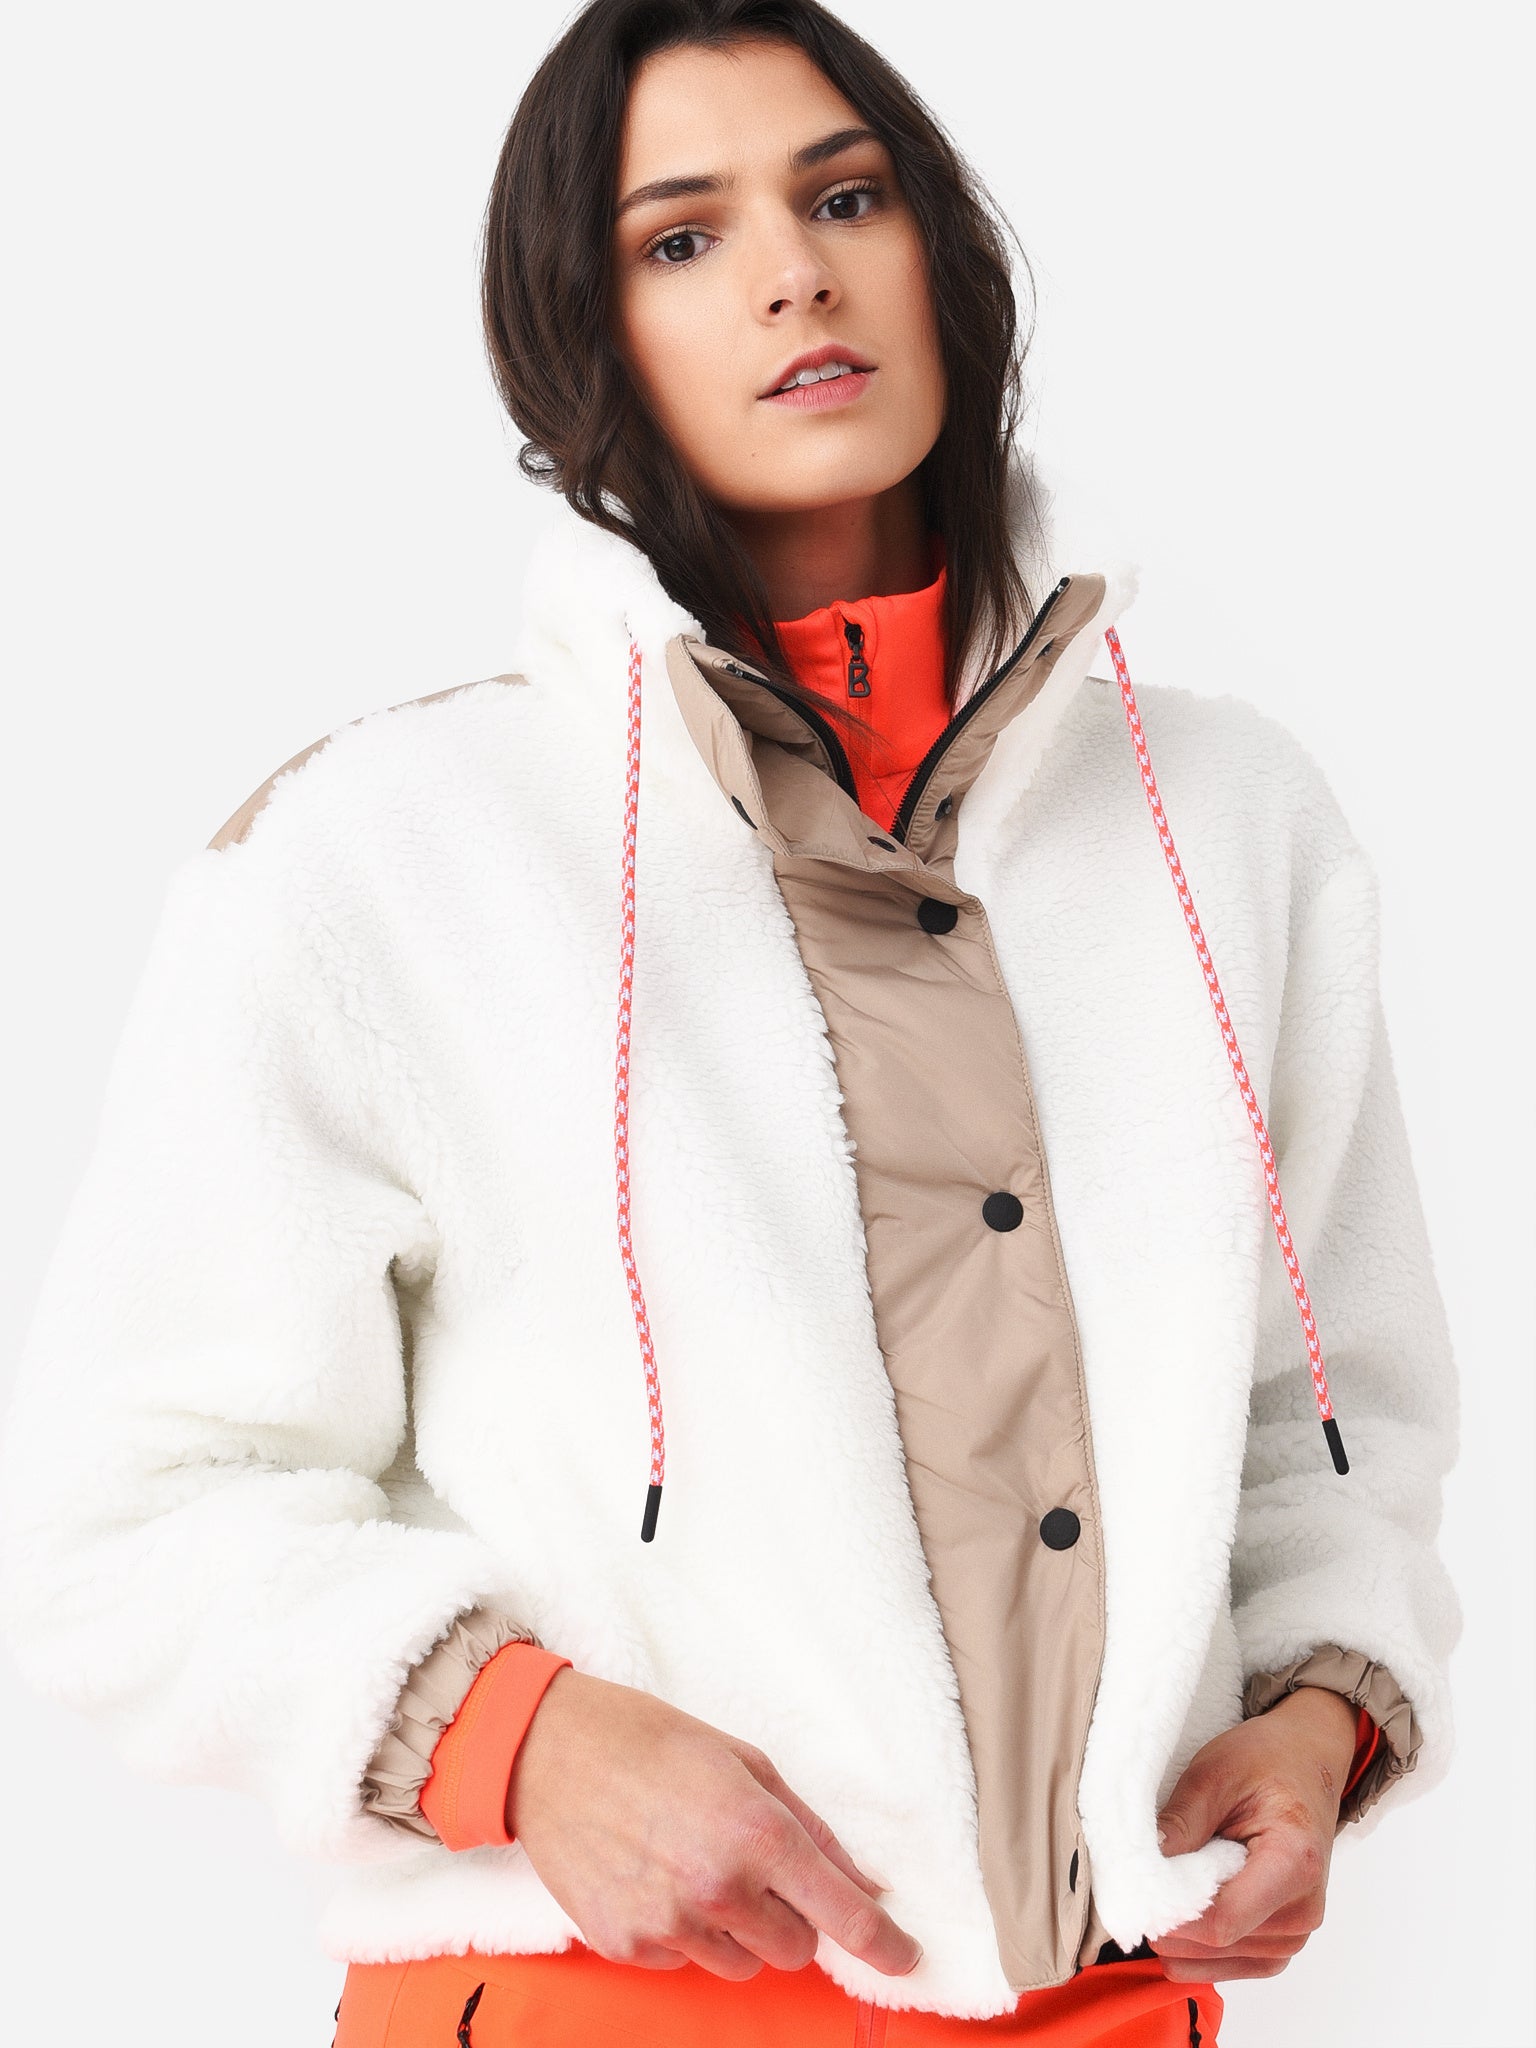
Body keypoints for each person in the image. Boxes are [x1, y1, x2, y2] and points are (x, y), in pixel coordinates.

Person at [0, 3, 1461, 2044]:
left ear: (940, 251)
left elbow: (1329, 1419)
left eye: (846, 198)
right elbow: (125, 1511)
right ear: (582, 336)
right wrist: (526, 1741)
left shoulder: (1227, 819)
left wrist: (1318, 1717)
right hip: (607, 2003)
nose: (794, 274)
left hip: (1124, 2008)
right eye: (681, 238)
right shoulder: (383, 855)